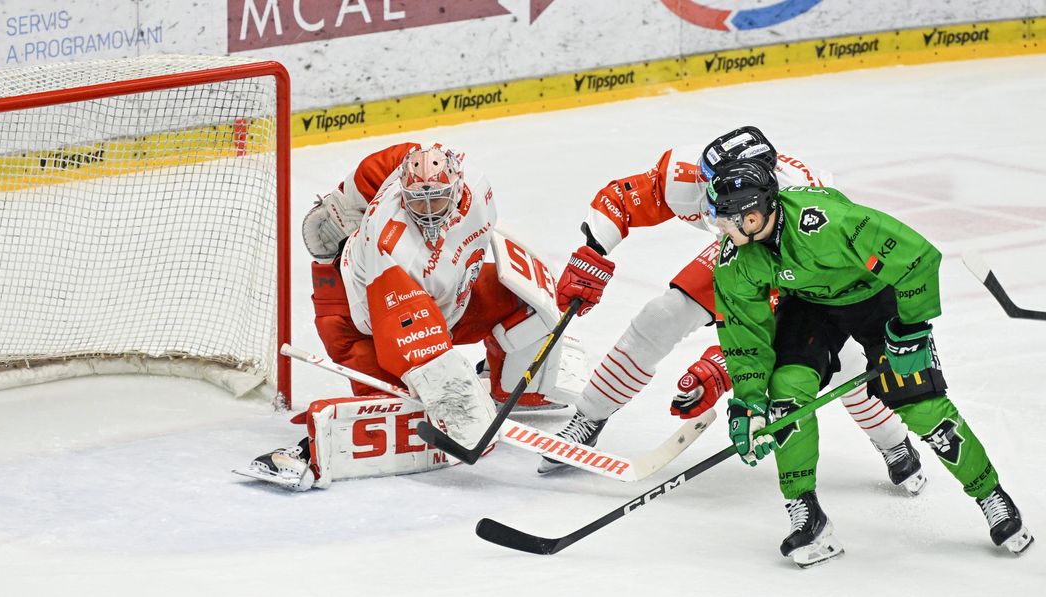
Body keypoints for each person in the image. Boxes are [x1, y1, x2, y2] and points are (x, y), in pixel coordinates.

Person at [545, 127, 924, 496]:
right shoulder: (693, 172)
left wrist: (724, 368)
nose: (710, 200)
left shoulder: (804, 206)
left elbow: (777, 314)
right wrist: (593, 252)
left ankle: (892, 439)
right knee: (661, 316)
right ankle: (589, 415)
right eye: (708, 185)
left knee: (841, 358)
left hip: (801, 277)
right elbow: (626, 197)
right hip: (739, 255)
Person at [706, 152, 1033, 566]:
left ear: (765, 207)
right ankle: (806, 514)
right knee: (786, 393)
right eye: (724, 219)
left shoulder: (825, 220)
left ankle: (991, 496)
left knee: (921, 404)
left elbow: (916, 257)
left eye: (740, 219)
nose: (730, 230)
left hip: (874, 296)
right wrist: (749, 399)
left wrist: (911, 329)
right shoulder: (737, 258)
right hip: (810, 306)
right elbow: (744, 334)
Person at [243, 142, 573, 491]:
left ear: (457, 186)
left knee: (531, 304)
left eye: (438, 199)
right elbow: (417, 349)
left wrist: (340, 205)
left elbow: (397, 165)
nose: (428, 210)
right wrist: (467, 417)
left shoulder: (470, 183)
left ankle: (511, 390)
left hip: (447, 300)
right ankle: (310, 448)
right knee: (398, 412)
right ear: (403, 194)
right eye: (417, 201)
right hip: (364, 328)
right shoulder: (394, 248)